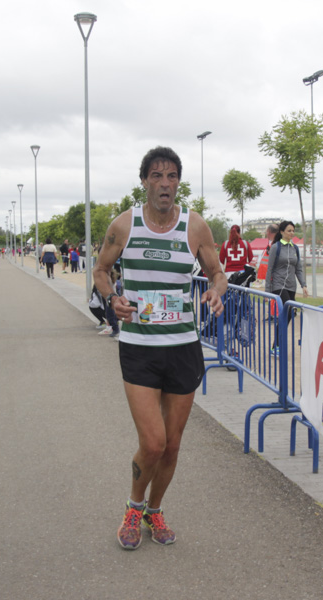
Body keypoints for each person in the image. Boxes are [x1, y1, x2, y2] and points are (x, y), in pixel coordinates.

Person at [93, 146, 226, 551]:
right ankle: (134, 507)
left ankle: (156, 509)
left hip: (183, 347)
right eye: (156, 175)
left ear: (178, 182)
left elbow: (217, 273)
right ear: (145, 181)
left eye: (171, 176)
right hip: (139, 347)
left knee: (172, 443)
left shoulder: (195, 227)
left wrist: (218, 292)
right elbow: (100, 270)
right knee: (152, 442)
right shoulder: (125, 225)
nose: (164, 183)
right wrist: (112, 297)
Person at [264, 220, 307, 356]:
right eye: (289, 230)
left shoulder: (295, 248)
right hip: (278, 285)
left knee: (287, 315)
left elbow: (298, 269)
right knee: (288, 313)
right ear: (282, 232)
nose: (292, 233)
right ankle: (276, 345)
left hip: (291, 286)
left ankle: (275, 345)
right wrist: (267, 291)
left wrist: (303, 285)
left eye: (293, 231)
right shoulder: (276, 247)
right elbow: (269, 269)